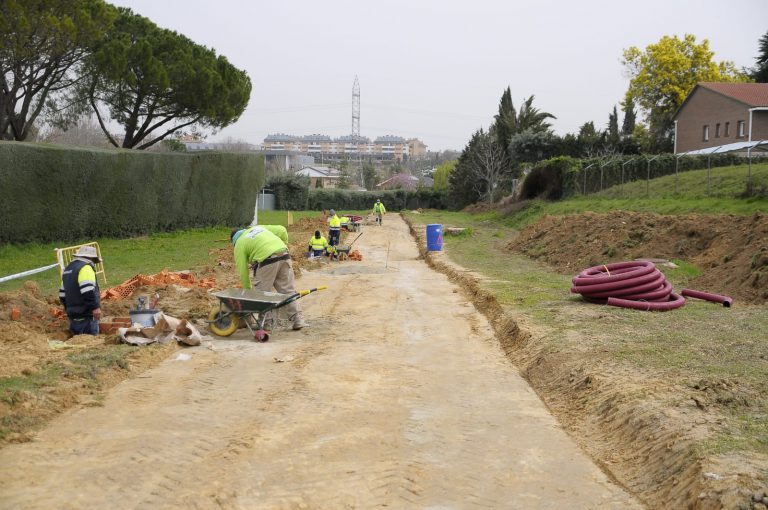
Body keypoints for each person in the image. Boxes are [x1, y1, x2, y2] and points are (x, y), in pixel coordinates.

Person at [231, 226, 306, 330]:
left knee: (262, 293)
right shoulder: (258, 228)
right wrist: (283, 244)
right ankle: (298, 319)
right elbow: (282, 230)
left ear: (234, 241)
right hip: (284, 254)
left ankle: (266, 323)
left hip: (267, 260)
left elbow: (243, 271)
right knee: (287, 290)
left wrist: (247, 293)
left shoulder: (239, 244)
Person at [59, 245, 102, 336]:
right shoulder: (86, 268)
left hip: (73, 317)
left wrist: (68, 309)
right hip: (87, 316)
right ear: (90, 258)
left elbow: (62, 294)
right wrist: (95, 308)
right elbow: (88, 291)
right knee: (91, 345)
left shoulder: (68, 269)